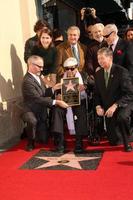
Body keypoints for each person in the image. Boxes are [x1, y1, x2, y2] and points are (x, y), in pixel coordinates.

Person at [21, 55, 68, 151]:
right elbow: (37, 99)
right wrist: (56, 102)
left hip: (41, 109)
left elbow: (43, 93)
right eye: (39, 66)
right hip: (30, 110)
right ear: (31, 65)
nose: (42, 69)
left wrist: (53, 88)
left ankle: (40, 133)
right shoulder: (27, 81)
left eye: (42, 66)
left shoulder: (38, 77)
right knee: (32, 121)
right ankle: (30, 142)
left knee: (43, 140)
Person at [95, 47, 133, 152]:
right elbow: (96, 94)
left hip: (124, 103)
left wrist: (116, 105)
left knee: (122, 117)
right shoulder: (98, 74)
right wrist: (98, 106)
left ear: (110, 58)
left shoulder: (121, 72)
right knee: (113, 141)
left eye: (102, 58)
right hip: (108, 107)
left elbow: (130, 93)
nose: (100, 61)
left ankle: (127, 143)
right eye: (98, 59)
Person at [50, 57, 88, 153]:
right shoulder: (61, 77)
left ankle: (79, 141)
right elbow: (56, 92)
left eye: (72, 68)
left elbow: (92, 86)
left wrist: (85, 87)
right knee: (57, 110)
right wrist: (58, 96)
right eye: (67, 68)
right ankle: (60, 141)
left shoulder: (83, 75)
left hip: (79, 101)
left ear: (77, 67)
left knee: (80, 110)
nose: (69, 71)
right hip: (64, 103)